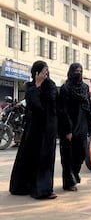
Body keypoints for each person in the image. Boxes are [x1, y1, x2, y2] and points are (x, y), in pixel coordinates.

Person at [9, 61, 58, 200]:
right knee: (29, 157)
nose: (45, 74)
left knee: (45, 159)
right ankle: (24, 186)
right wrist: (36, 85)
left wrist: (40, 87)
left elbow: (45, 108)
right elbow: (34, 105)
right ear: (35, 73)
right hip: (32, 129)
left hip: (47, 129)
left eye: (47, 71)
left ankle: (43, 190)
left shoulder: (51, 86)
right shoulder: (30, 87)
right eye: (42, 71)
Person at [58, 63, 91, 192]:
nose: (78, 73)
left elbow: (88, 108)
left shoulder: (85, 87)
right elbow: (63, 110)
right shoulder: (65, 88)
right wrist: (67, 130)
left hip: (83, 125)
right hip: (70, 126)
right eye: (76, 71)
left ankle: (75, 173)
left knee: (81, 153)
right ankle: (69, 182)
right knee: (68, 155)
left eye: (80, 71)